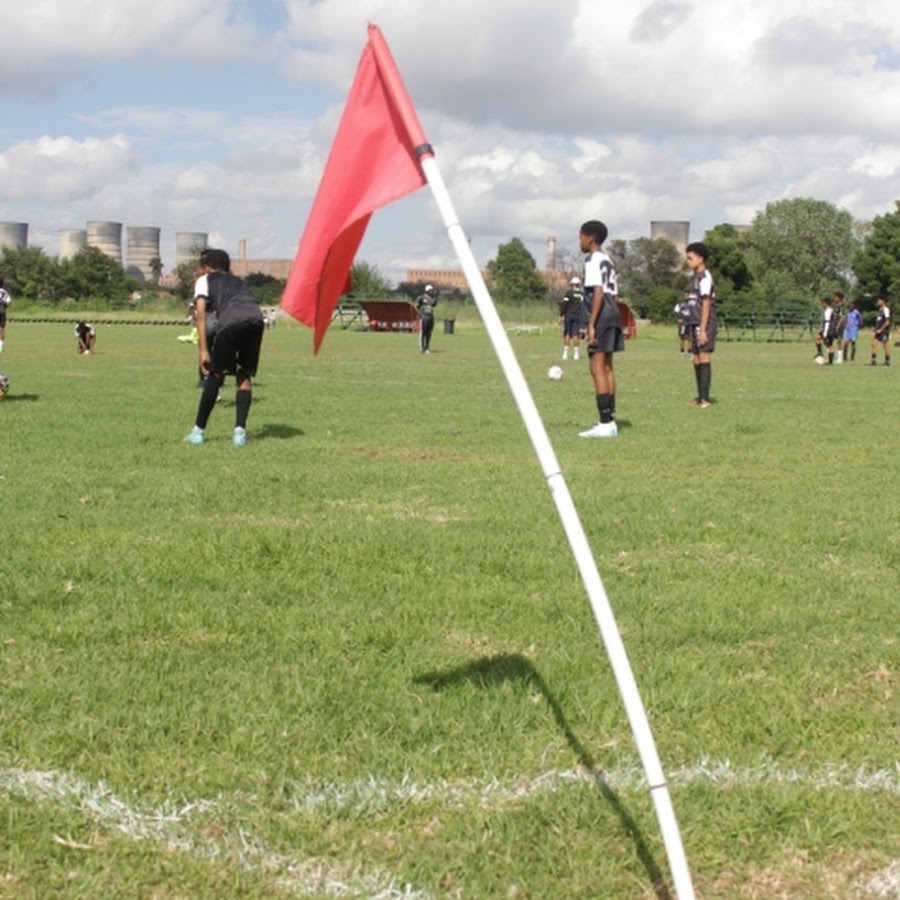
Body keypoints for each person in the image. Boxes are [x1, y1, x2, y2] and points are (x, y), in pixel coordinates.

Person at [184, 248, 265, 446]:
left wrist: (203, 350)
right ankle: (239, 434)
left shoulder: (204, 280)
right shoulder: (238, 281)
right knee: (244, 375)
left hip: (231, 323)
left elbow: (200, 314)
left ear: (206, 266)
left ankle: (198, 432)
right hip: (256, 321)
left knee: (216, 374)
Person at [579, 220, 623, 438]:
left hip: (601, 314)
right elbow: (612, 293)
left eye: (581, 237)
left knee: (597, 367)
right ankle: (610, 420)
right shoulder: (607, 259)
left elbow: (598, 292)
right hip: (612, 311)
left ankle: (605, 423)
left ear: (590, 238)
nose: (580, 241)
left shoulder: (592, 260)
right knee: (607, 367)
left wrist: (591, 324)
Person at [685, 242, 718, 407]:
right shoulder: (694, 278)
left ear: (700, 258)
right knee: (696, 358)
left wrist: (703, 330)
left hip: (703, 323)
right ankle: (699, 397)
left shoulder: (705, 277)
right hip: (693, 323)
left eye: (690, 258)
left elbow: (706, 304)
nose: (688, 261)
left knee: (704, 356)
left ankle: (705, 399)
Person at [558, 276, 585, 361]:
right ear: (579, 284)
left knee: (567, 334)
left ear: (572, 284)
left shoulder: (569, 293)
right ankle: (576, 354)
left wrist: (561, 315)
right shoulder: (582, 294)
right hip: (578, 316)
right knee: (575, 334)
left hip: (569, 316)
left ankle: (565, 354)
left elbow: (564, 304)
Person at [814, 296, 838, 365]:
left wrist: (825, 333)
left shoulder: (828, 311)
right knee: (828, 344)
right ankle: (829, 360)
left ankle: (820, 353)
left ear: (825, 303)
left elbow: (827, 322)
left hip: (828, 330)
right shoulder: (830, 310)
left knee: (828, 344)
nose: (821, 305)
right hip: (830, 330)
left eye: (822, 303)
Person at [870, 294, 891, 366]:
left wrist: (881, 330)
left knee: (885, 346)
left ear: (883, 301)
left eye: (879, 300)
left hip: (884, 331)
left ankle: (887, 361)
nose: (878, 302)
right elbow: (879, 320)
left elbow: (887, 322)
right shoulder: (880, 310)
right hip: (878, 330)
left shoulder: (886, 309)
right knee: (873, 344)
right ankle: (873, 360)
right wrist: (875, 328)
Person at [417, 284, 438, 353]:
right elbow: (418, 306)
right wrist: (420, 314)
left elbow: (434, 304)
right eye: (430, 290)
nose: (432, 291)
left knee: (429, 333)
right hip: (424, 317)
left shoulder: (433, 299)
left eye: (432, 290)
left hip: (430, 317)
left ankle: (427, 347)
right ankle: (422, 348)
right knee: (423, 333)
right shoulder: (421, 298)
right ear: (427, 291)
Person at [674, 289, 692, 356]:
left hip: (690, 322)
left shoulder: (692, 304)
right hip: (683, 323)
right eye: (685, 295)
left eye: (687, 295)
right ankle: (682, 351)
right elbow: (675, 312)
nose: (686, 297)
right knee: (682, 337)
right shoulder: (680, 304)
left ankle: (689, 351)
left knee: (690, 337)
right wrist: (677, 319)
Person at [832, 291, 846, 363]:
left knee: (839, 341)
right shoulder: (835, 307)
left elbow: (842, 317)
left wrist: (838, 326)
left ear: (840, 298)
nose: (834, 298)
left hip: (839, 325)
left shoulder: (841, 307)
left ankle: (840, 358)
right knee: (830, 340)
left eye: (836, 297)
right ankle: (831, 356)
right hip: (833, 324)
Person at [0, 277, 11, 352]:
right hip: (2, 312)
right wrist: (4, 306)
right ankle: (0, 348)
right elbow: (9, 302)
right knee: (1, 329)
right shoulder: (4, 292)